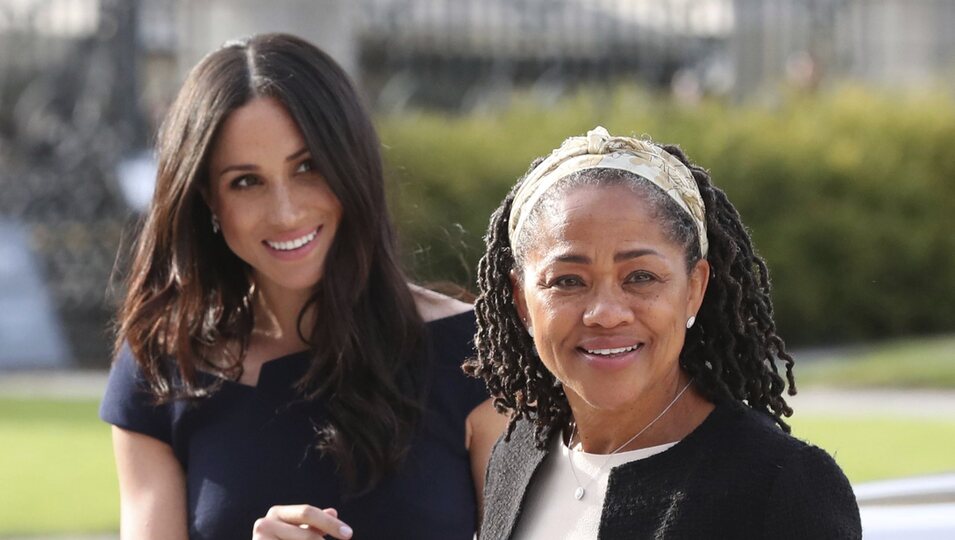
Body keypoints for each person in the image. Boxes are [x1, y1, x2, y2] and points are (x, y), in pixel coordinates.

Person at [100, 33, 504, 540]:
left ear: (352, 164)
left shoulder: (481, 356)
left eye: (308, 167)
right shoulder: (164, 366)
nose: (286, 212)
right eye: (246, 181)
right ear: (207, 199)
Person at [466, 126, 862, 539]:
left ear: (694, 289)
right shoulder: (514, 458)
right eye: (568, 281)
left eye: (640, 276)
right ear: (521, 300)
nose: (606, 313)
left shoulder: (778, 486)